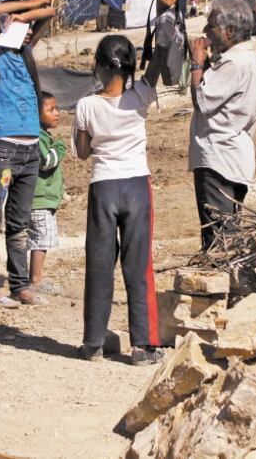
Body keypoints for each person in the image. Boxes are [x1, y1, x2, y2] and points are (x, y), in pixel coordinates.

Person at [74, 34, 170, 366]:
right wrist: (165, 30)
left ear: (98, 66)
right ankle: (143, 346)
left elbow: (84, 152)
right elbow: (157, 65)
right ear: (131, 66)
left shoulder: (86, 104)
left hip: (104, 187)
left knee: (100, 265)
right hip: (137, 187)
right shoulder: (141, 95)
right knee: (138, 266)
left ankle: (93, 343)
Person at [0, 0, 56, 307]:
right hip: (4, 152)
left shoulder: (25, 50)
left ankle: (19, 286)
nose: (25, 27)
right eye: (17, 20)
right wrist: (24, 6)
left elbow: (50, 11)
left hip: (29, 151)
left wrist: (27, 14)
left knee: (19, 223)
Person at [188, 0, 256, 251]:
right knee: (227, 235)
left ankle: (218, 287)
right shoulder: (250, 59)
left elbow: (202, 100)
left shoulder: (234, 62)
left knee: (218, 242)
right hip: (236, 157)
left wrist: (196, 63)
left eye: (211, 26)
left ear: (229, 30)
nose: (207, 31)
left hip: (218, 158)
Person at [28, 91, 66, 295]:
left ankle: (34, 278)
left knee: (39, 240)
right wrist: (59, 147)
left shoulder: (41, 135)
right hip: (40, 201)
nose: (57, 113)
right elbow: (46, 162)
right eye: (50, 109)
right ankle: (35, 280)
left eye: (56, 108)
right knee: (40, 241)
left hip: (42, 201)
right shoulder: (39, 137)